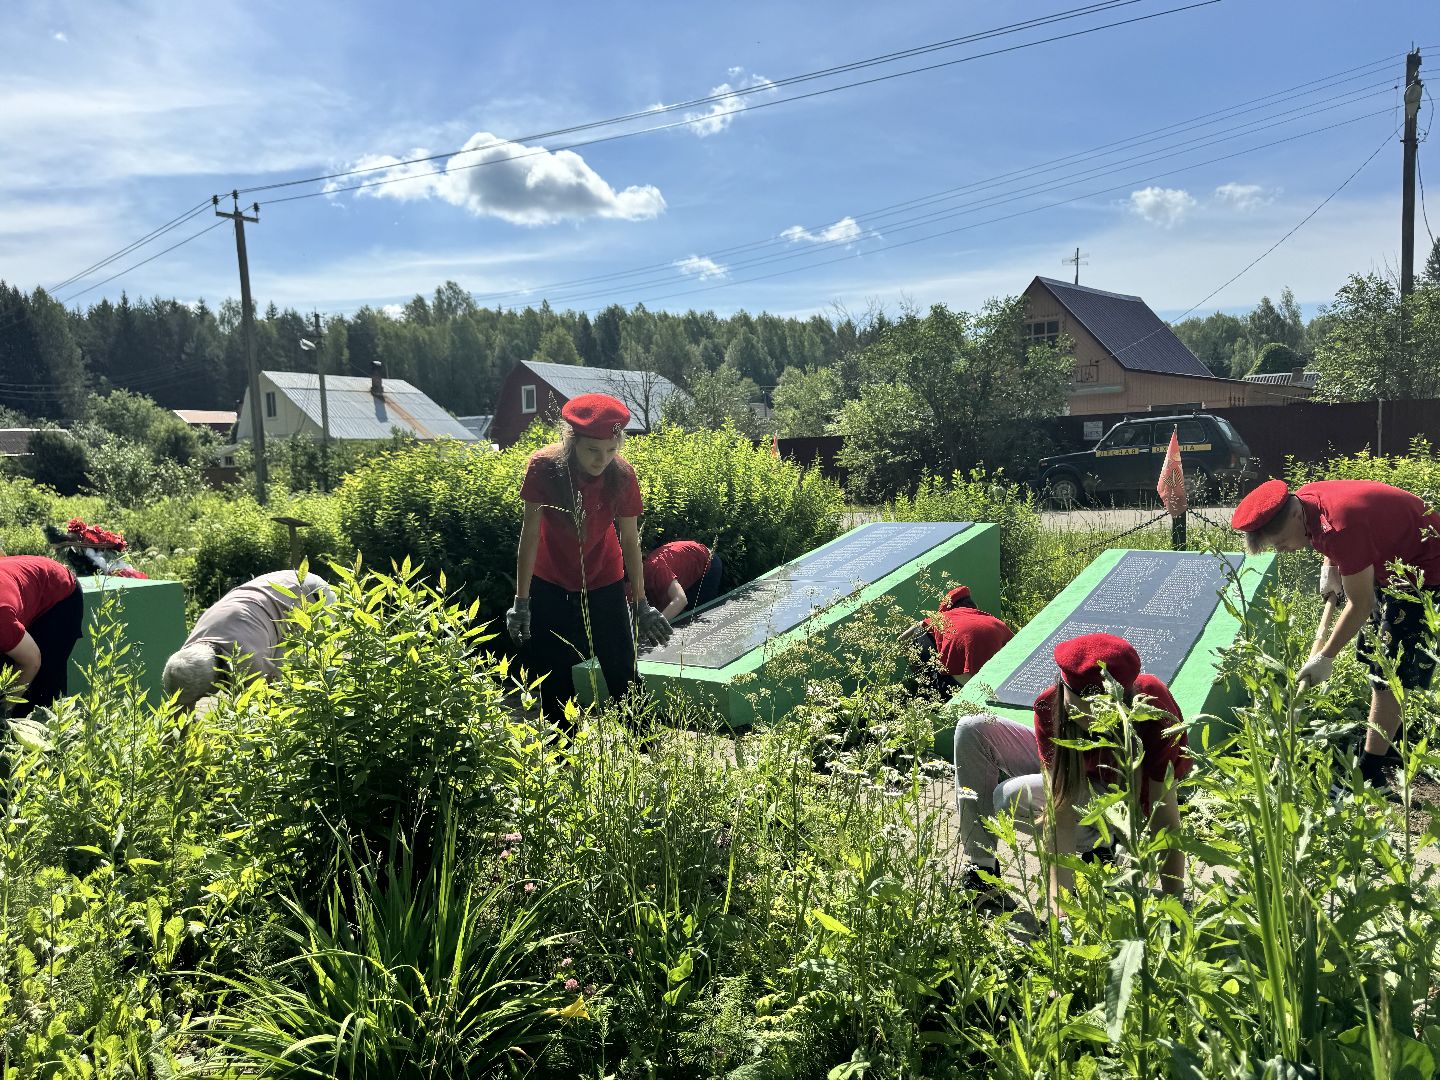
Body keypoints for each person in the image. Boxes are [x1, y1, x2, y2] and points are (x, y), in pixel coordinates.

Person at [1231, 478, 1440, 792]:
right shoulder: (1305, 501)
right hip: (1394, 562)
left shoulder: (1340, 529)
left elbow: (1360, 603)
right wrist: (1331, 565)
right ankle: (1390, 741)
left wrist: (1325, 657)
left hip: (1427, 570)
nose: (1282, 550)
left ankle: (1371, 774)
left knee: (1392, 675)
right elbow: (1340, 530)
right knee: (1374, 654)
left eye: (1280, 542)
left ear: (1292, 516)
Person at [952, 632, 1189, 903]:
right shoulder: (1050, 705)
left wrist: (1175, 906)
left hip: (1120, 797)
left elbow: (1166, 820)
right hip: (1076, 781)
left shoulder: (1154, 709)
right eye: (1080, 713)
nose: (1092, 722)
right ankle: (982, 871)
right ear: (1065, 691)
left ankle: (1100, 845)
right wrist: (1061, 912)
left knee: (1009, 797)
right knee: (972, 728)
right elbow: (1060, 813)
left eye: (1104, 712)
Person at [506, 394, 672, 724]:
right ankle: (565, 760)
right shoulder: (543, 468)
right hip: (550, 582)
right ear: (571, 441)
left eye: (611, 450)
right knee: (553, 678)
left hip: (604, 581)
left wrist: (640, 603)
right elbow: (529, 535)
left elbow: (629, 540)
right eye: (592, 451)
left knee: (622, 669)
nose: (602, 460)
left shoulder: (622, 475)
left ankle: (646, 753)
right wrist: (522, 601)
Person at [162, 570, 335, 706]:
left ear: (215, 680)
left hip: (312, 596)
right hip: (277, 587)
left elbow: (270, 702)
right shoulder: (189, 654)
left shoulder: (250, 661)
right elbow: (180, 706)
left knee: (296, 678)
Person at [0, 553, 84, 716]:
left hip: (58, 596)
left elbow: (31, 660)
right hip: (21, 583)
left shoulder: (2, 620)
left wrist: (3, 712)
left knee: (42, 695)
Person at [905, 585, 1012, 699]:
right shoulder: (994, 621)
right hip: (999, 683)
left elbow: (909, 632)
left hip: (960, 686)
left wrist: (900, 646)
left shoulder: (942, 618)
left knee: (919, 632)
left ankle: (927, 691)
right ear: (974, 605)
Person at [643, 541, 723, 621]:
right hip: (690, 563)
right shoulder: (642, 580)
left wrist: (656, 625)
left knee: (700, 613)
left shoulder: (656, 570)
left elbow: (680, 600)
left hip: (708, 563)